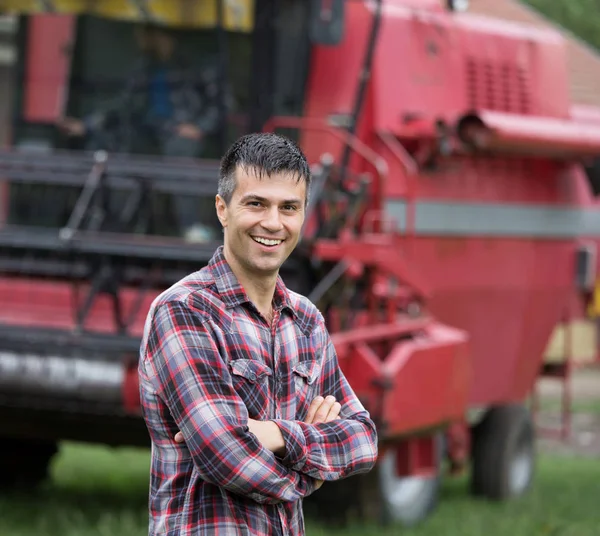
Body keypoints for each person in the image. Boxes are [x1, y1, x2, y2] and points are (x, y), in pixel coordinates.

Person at [138, 132, 378, 535]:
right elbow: (224, 454)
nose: (273, 222)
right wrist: (310, 474)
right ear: (222, 209)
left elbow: (364, 439)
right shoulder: (184, 311)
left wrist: (274, 434)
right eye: (256, 204)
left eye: (289, 207)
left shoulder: (306, 321)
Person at [58, 23, 223, 240]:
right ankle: (115, 225)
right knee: (114, 146)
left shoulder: (197, 66)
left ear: (160, 35)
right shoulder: (144, 67)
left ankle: (190, 226)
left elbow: (221, 105)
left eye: (143, 35)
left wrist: (200, 127)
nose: (139, 41)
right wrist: (87, 125)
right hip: (147, 132)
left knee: (179, 151)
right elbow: (122, 105)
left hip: (182, 134)